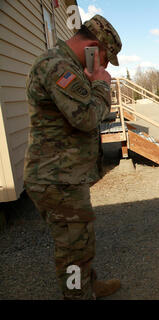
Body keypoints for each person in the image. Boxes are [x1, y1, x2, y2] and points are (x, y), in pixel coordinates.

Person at [24, 15, 122, 300]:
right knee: (72, 252)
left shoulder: (68, 65)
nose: (104, 66)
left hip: (66, 177)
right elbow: (88, 117)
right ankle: (77, 295)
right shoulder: (57, 66)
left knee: (81, 243)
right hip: (57, 180)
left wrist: (92, 81)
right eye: (105, 58)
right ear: (94, 47)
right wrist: (102, 84)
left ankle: (89, 286)